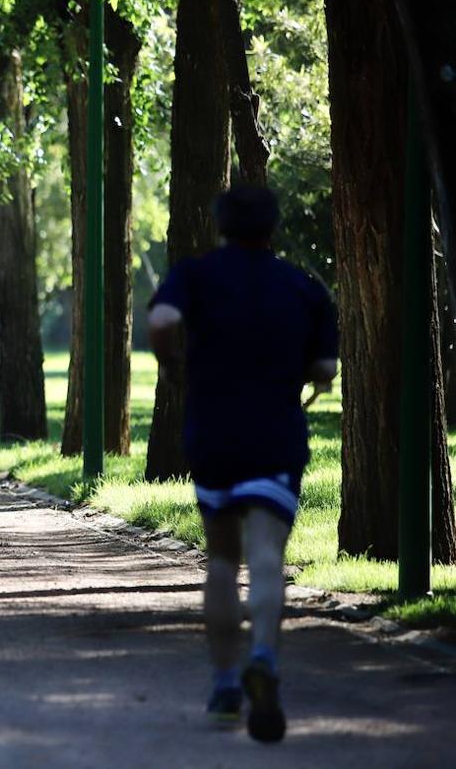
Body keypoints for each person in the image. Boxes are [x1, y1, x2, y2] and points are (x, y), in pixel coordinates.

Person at [147, 185, 338, 745]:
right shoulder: (304, 286)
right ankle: (264, 659)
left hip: (213, 433)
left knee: (223, 562)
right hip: (276, 436)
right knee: (267, 557)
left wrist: (174, 362)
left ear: (220, 224)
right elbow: (326, 366)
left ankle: (226, 684)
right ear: (273, 228)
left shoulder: (197, 274)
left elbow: (160, 318)